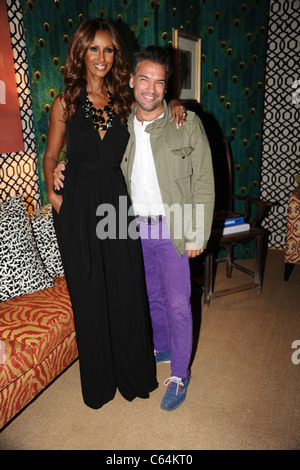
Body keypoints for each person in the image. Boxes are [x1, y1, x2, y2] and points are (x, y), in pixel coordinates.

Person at [43, 18, 185, 410]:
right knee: (89, 295)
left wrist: (173, 102)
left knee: (125, 289)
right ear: (81, 52)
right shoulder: (65, 101)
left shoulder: (125, 99)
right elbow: (51, 154)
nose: (102, 58)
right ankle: (100, 384)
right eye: (94, 49)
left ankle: (131, 374)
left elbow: (152, 101)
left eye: (109, 50)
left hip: (118, 205)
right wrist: (54, 193)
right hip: (77, 205)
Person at [120, 46, 215, 411]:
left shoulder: (185, 122)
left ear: (166, 87)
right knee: (151, 295)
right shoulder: (122, 122)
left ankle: (180, 373)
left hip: (172, 228)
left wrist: (195, 235)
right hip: (133, 228)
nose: (151, 88)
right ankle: (162, 348)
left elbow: (204, 182)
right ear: (131, 81)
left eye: (161, 82)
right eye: (144, 79)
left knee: (178, 303)